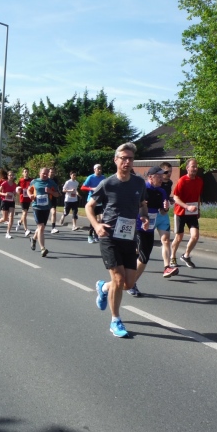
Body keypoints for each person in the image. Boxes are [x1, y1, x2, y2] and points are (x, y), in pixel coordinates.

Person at [87, 143, 149, 338]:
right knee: (118, 279)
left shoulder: (139, 183)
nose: (127, 161)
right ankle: (115, 320)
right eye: (123, 158)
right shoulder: (108, 183)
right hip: (109, 236)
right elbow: (89, 206)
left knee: (128, 284)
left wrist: (144, 216)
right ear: (116, 160)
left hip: (129, 237)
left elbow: (142, 204)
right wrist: (97, 226)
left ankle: (103, 287)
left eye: (130, 158)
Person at [127, 166, 173, 297]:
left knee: (143, 257)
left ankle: (130, 278)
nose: (161, 178)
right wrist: (140, 206)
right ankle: (131, 283)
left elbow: (162, 212)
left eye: (162, 176)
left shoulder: (162, 191)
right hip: (138, 226)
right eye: (158, 176)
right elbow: (129, 205)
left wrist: (166, 208)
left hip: (150, 228)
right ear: (150, 177)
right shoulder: (142, 189)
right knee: (143, 257)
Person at [170, 158, 203, 268]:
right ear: (187, 168)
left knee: (195, 236)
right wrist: (187, 206)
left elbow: (198, 196)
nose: (195, 168)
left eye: (196, 166)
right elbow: (175, 198)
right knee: (179, 237)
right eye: (192, 166)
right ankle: (172, 257)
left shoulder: (199, 181)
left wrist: (198, 209)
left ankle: (186, 255)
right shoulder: (182, 181)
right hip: (180, 212)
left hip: (192, 213)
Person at [28, 168, 59, 257]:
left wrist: (51, 192)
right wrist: (30, 195)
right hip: (36, 207)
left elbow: (57, 194)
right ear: (39, 173)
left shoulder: (51, 182)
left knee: (41, 227)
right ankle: (43, 248)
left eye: (46, 173)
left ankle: (33, 238)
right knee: (41, 227)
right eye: (43, 173)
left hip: (46, 207)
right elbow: (28, 190)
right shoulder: (34, 181)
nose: (45, 175)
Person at [159, 162, 178, 277]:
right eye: (166, 172)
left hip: (163, 215)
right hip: (151, 214)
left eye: (170, 171)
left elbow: (165, 195)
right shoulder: (156, 182)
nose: (169, 174)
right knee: (143, 246)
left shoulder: (169, 183)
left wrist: (169, 199)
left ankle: (167, 267)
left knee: (166, 240)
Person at [81, 164, 106, 243]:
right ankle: (90, 235)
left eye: (100, 168)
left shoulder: (103, 177)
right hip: (92, 201)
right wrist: (92, 188)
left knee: (102, 219)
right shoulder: (90, 177)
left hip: (101, 201)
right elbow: (82, 187)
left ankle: (96, 235)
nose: (100, 170)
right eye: (98, 168)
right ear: (94, 169)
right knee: (94, 220)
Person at [0, 171, 19, 238]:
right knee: (5, 218)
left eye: (12, 175)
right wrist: (5, 194)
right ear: (8, 176)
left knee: (11, 217)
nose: (11, 176)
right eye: (10, 175)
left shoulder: (15, 185)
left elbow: (15, 193)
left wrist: (15, 193)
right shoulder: (4, 183)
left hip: (11, 201)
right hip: (5, 201)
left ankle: (8, 233)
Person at [17, 168, 33, 237]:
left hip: (28, 199)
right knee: (25, 213)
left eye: (27, 172)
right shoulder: (20, 180)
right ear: (22, 173)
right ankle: (26, 230)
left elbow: (33, 188)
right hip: (22, 199)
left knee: (24, 214)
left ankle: (20, 222)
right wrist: (18, 190)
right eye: (25, 172)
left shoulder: (31, 180)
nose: (26, 173)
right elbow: (17, 189)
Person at [48, 168, 62, 234]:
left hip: (53, 198)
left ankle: (53, 228)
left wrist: (59, 193)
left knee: (53, 212)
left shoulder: (55, 180)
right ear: (48, 173)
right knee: (44, 216)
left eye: (53, 172)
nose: (52, 173)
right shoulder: (45, 179)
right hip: (45, 199)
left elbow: (57, 188)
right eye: (51, 172)